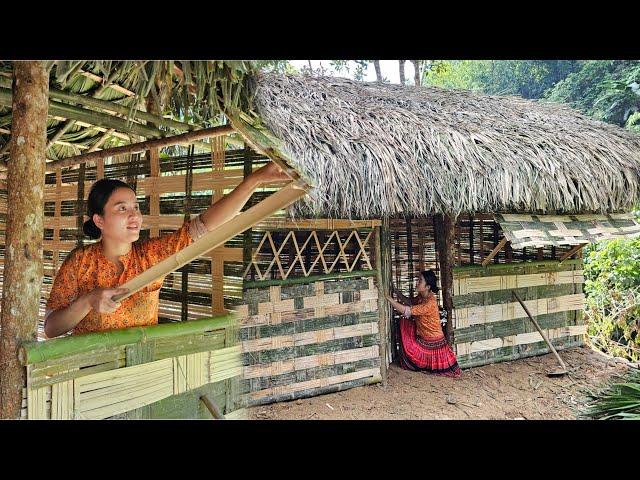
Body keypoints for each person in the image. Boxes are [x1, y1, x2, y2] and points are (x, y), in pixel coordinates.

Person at [44, 161, 289, 338]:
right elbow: (51, 328)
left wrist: (253, 181)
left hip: (142, 371)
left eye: (136, 207)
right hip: (91, 377)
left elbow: (205, 226)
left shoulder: (151, 256)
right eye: (122, 209)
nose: (135, 216)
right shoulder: (80, 262)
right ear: (99, 220)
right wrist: (88, 301)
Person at [386, 270, 461, 377]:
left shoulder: (430, 302)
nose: (417, 282)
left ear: (427, 287)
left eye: (420, 281)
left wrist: (390, 300)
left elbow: (407, 310)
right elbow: (410, 301)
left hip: (433, 341)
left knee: (404, 323)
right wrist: (396, 292)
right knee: (404, 323)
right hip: (424, 338)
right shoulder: (422, 297)